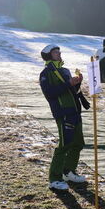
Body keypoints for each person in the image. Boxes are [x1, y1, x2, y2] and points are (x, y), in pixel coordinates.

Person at [39, 44, 90, 191]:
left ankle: (68, 171)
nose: (59, 54)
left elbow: (72, 90)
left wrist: (77, 83)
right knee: (64, 145)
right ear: (48, 55)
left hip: (75, 111)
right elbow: (49, 93)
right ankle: (54, 179)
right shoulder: (45, 73)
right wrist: (68, 83)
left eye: (59, 52)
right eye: (56, 52)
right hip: (63, 113)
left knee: (78, 143)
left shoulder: (65, 70)